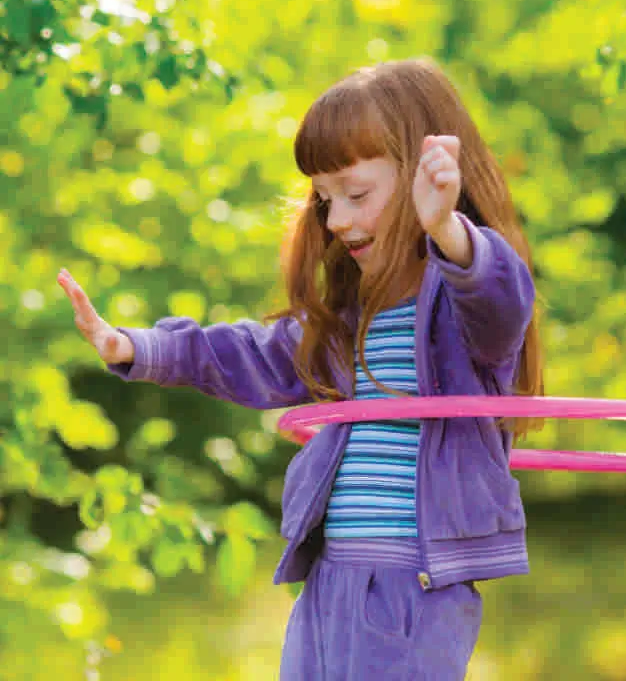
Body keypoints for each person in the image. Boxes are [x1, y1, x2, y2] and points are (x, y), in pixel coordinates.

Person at [57, 57, 544, 680]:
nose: (336, 220)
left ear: (424, 178)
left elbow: (503, 303)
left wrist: (447, 229)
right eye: (324, 200)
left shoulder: (465, 309)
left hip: (414, 586)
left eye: (356, 194)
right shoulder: (345, 321)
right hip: (328, 579)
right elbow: (249, 354)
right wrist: (134, 346)